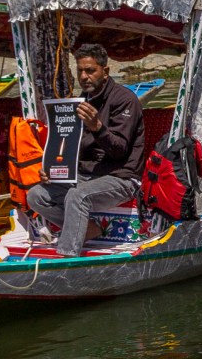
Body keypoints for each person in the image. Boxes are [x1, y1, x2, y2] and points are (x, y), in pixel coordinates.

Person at [24, 42, 147, 256]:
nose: (84, 76)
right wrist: (54, 170)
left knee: (77, 195)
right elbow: (71, 147)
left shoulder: (125, 100)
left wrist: (97, 127)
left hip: (122, 177)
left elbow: (120, 150)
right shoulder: (81, 100)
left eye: (90, 71)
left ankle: (67, 255)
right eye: (80, 70)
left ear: (105, 71)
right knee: (36, 195)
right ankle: (88, 229)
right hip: (88, 175)